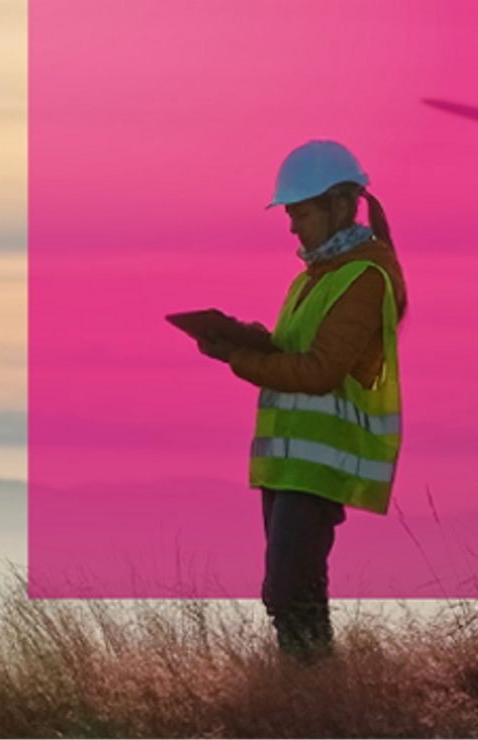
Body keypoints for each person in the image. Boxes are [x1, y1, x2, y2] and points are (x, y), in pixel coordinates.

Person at [197, 140, 407, 661]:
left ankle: (314, 691)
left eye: (301, 213)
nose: (292, 226)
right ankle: (311, 692)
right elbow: (294, 350)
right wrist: (242, 339)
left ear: (340, 205)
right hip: (289, 463)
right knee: (291, 593)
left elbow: (319, 372)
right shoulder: (311, 278)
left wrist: (238, 361)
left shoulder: (365, 278)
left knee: (291, 588)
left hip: (322, 463)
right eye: (290, 214)